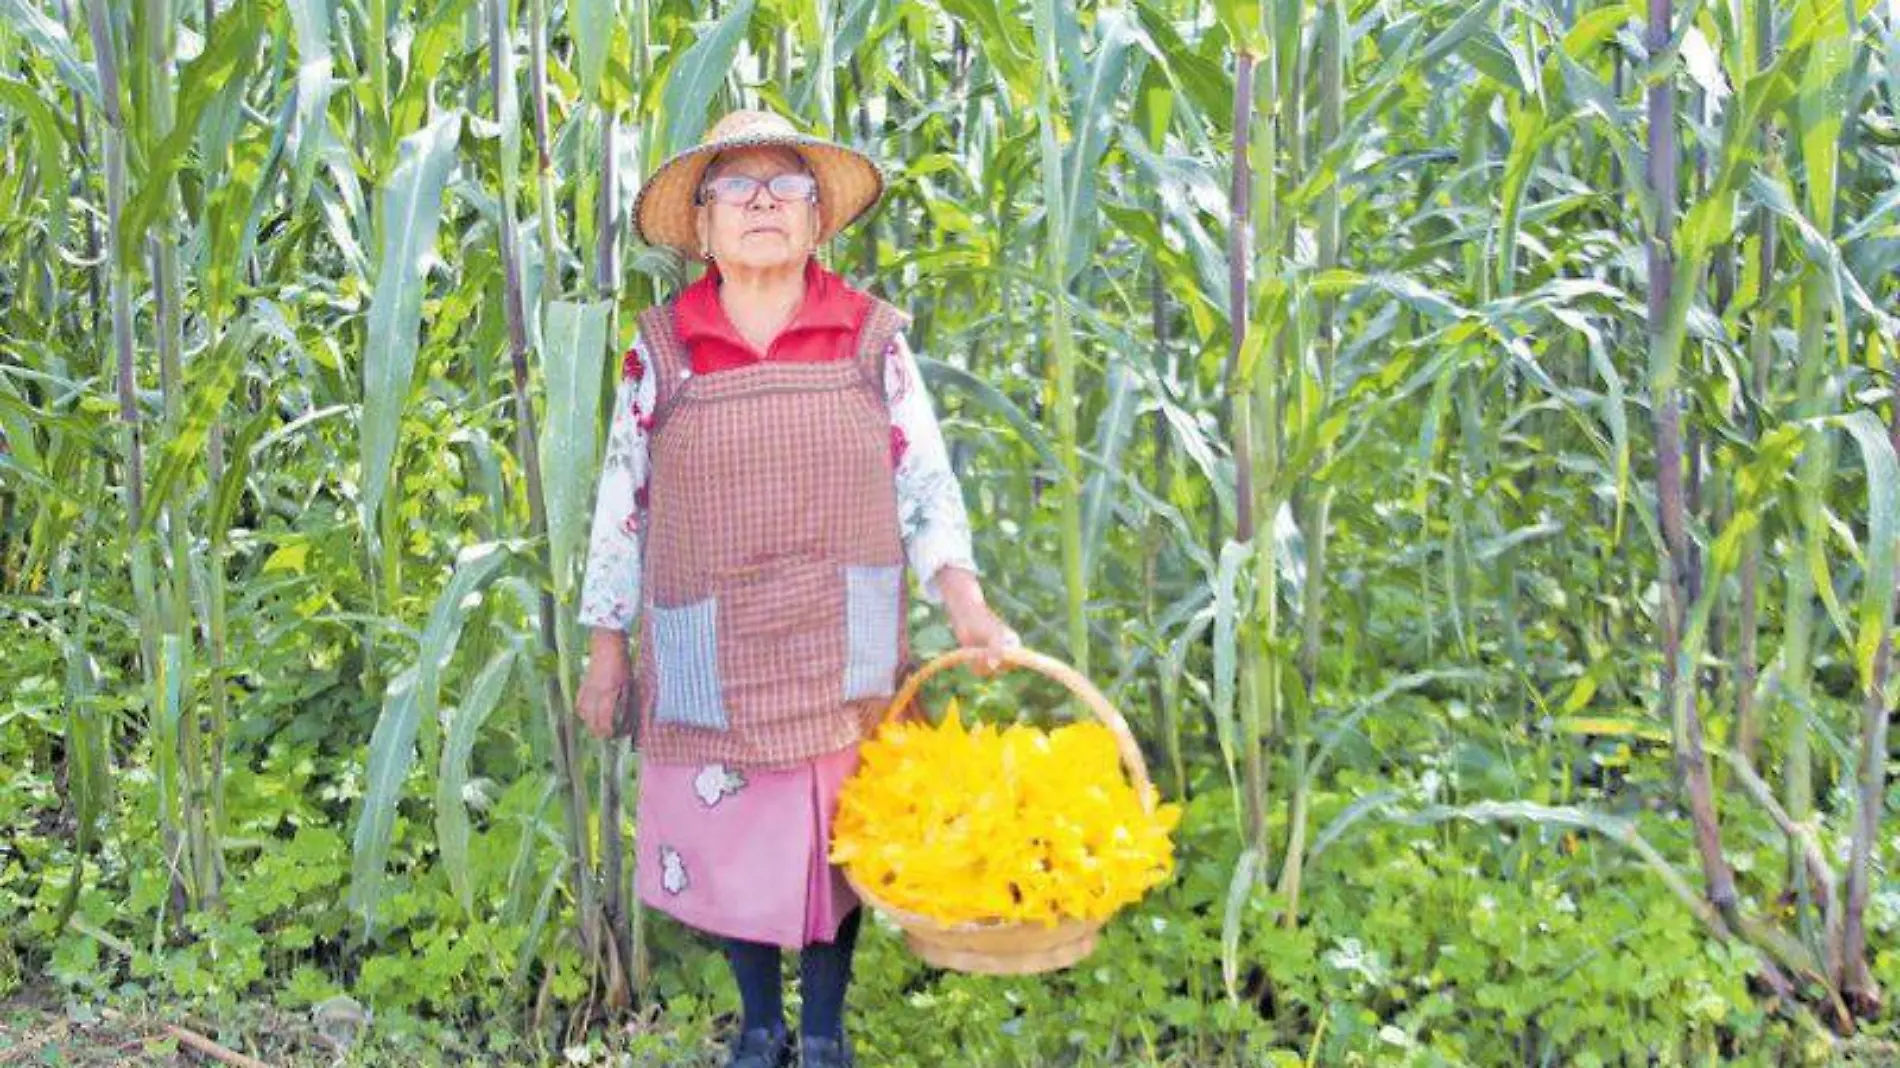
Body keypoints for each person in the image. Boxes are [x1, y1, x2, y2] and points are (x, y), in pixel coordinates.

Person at [573, 109, 1017, 1068]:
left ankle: (821, 1031)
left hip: (837, 640)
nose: (763, 203)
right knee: (735, 840)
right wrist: (607, 647)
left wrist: (967, 602)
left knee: (831, 849)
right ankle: (759, 1024)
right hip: (711, 640)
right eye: (736, 187)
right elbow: (621, 502)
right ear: (701, 226)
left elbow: (926, 480)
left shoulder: (869, 339)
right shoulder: (663, 349)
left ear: (819, 221)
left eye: (788, 187)